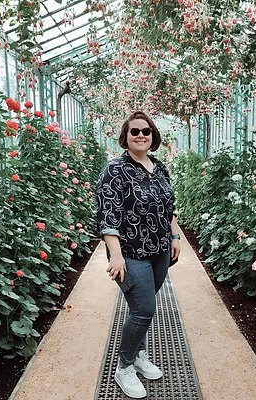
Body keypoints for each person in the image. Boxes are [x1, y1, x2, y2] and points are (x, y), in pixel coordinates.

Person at [96, 111, 181, 398]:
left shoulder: (159, 167)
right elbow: (107, 217)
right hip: (130, 254)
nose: (141, 135)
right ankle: (124, 367)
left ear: (153, 136)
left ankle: (140, 354)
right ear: (126, 137)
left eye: (146, 131)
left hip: (160, 252)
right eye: (135, 132)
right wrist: (115, 255)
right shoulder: (115, 170)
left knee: (143, 308)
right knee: (143, 310)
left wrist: (175, 235)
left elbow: (167, 208)